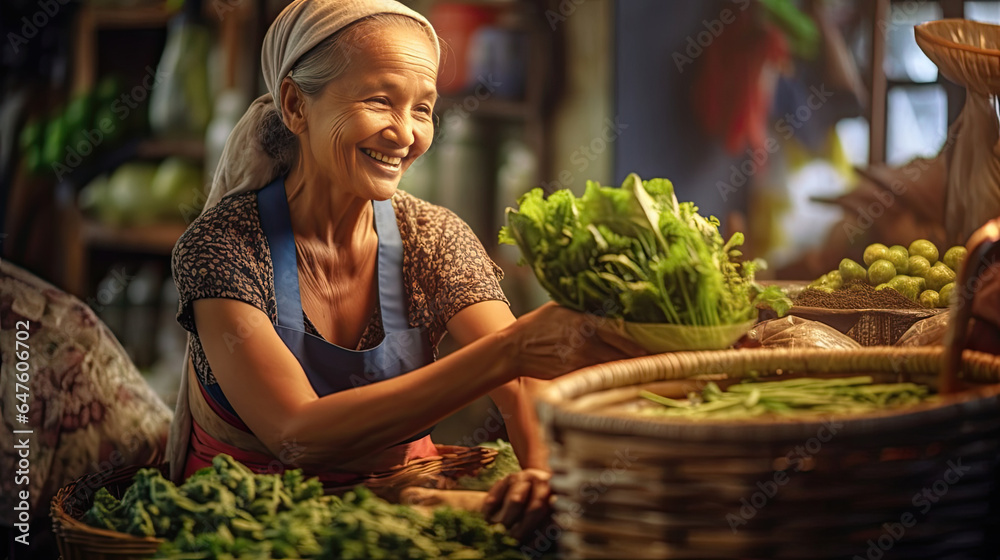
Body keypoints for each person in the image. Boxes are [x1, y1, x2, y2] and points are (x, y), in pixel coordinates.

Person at [165, 0, 642, 540]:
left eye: (423, 108)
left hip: (404, 515)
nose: (405, 133)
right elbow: (294, 435)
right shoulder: (223, 245)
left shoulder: (433, 238)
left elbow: (522, 386)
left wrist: (536, 479)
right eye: (379, 101)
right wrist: (508, 352)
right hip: (249, 529)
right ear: (296, 105)